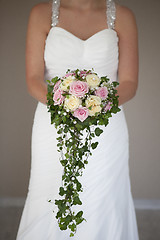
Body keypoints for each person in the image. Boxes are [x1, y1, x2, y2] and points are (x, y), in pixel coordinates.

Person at [16, 0, 139, 239]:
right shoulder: (41, 13)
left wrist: (97, 105)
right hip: (53, 123)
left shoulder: (123, 16)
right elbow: (33, 79)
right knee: (50, 193)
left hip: (105, 126)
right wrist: (65, 105)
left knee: (104, 198)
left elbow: (130, 84)